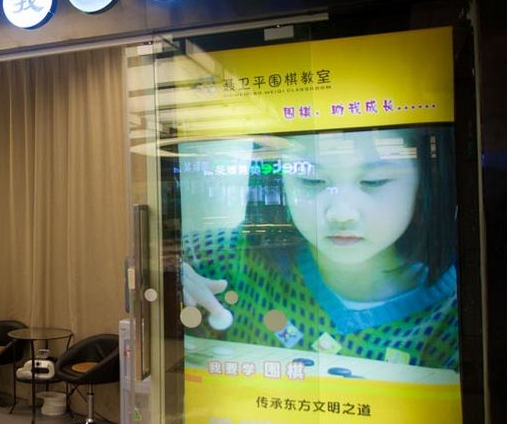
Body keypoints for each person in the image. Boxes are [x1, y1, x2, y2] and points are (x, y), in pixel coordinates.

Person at [181, 126, 459, 370]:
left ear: (426, 178)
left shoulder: (456, 313)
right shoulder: (229, 256)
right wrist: (168, 279)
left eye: (374, 181)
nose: (341, 214)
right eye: (311, 179)